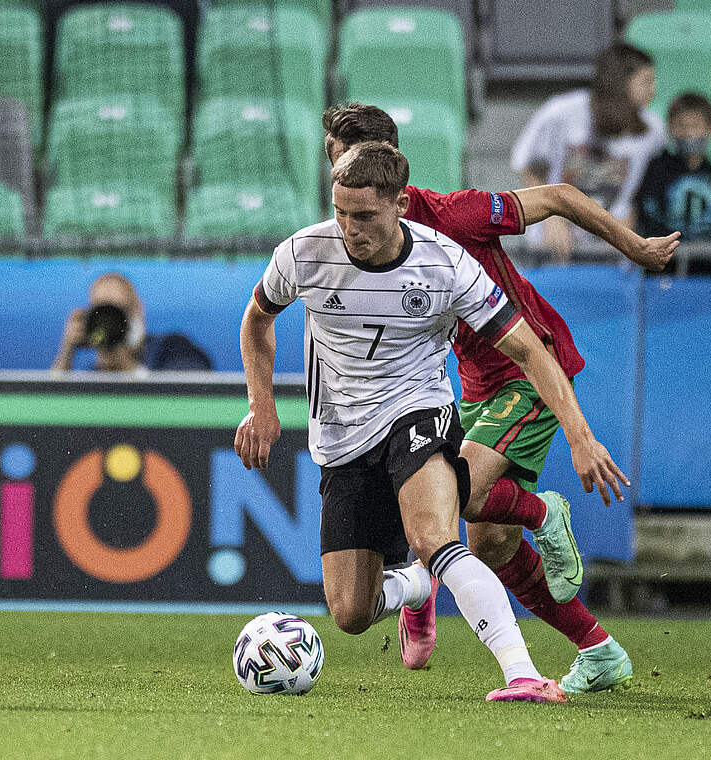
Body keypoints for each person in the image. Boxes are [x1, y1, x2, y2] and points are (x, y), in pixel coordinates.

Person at [236, 141, 628, 702]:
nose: (349, 229)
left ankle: (521, 674)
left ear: (400, 204)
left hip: (418, 412)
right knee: (350, 613)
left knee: (436, 538)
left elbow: (530, 352)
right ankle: (418, 587)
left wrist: (580, 436)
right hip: (342, 438)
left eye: (365, 216)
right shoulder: (303, 253)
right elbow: (256, 322)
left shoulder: (444, 262)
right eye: (341, 212)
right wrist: (261, 404)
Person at [325, 102, 678, 694]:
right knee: (489, 541)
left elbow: (561, 195)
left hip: (530, 369)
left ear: (387, 175)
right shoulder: (350, 239)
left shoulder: (455, 215)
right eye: (335, 165)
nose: (336, 178)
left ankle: (530, 522)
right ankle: (600, 650)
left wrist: (635, 248)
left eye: (341, 160)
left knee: (462, 491)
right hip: (473, 387)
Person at [511, 42, 664, 260]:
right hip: (551, 248)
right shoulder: (561, 112)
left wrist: (629, 217)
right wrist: (551, 217)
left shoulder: (653, 130)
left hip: (609, 252)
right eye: (646, 81)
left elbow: (648, 186)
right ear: (620, 83)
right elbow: (530, 166)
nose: (653, 89)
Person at [633, 93, 711, 254]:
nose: (689, 133)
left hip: (709, 272)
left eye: (696, 125)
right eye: (682, 126)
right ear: (669, 129)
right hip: (663, 269)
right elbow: (644, 219)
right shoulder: (655, 172)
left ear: (710, 129)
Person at [51, 272, 212, 373]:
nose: (110, 323)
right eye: (101, 313)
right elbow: (51, 412)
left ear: (138, 310)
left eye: (118, 311)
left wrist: (125, 364)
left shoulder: (172, 348)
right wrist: (67, 352)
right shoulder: (95, 375)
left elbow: (192, 395)